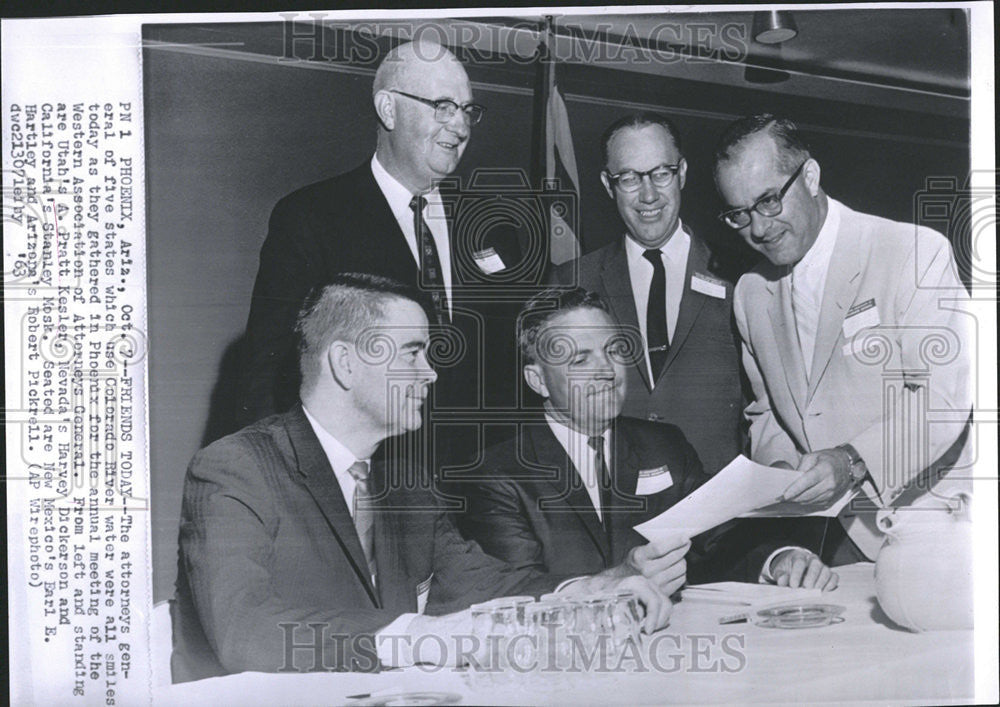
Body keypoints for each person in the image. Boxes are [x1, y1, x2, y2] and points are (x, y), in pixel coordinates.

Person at [172, 274, 681, 683]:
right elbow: (242, 629)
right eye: (412, 352)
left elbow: (483, 582)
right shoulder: (236, 469)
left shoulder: (405, 482)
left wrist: (590, 589)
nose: (431, 373)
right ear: (346, 363)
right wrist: (421, 635)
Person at [454, 286, 839, 591]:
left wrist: (782, 559)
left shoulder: (664, 446)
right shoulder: (497, 475)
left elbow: (722, 541)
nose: (606, 370)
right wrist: (614, 581)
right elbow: (515, 592)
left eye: (612, 351)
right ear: (537, 380)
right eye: (580, 360)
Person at [237, 39, 534, 432]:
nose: (460, 126)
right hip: (372, 472)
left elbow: (519, 360)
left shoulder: (495, 226)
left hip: (485, 474)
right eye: (442, 106)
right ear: (388, 109)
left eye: (467, 110)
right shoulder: (312, 216)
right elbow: (268, 369)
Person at [713, 114, 972, 563]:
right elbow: (767, 413)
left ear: (810, 176)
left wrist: (852, 460)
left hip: (931, 526)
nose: (758, 228)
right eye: (740, 214)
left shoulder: (913, 253)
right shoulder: (751, 293)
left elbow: (944, 398)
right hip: (832, 535)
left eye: (769, 201)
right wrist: (779, 475)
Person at [550, 113, 742, 474]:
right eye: (630, 178)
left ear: (682, 173)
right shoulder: (572, 281)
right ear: (609, 185)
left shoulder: (737, 275)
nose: (649, 194)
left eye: (661, 173)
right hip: (614, 502)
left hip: (718, 508)